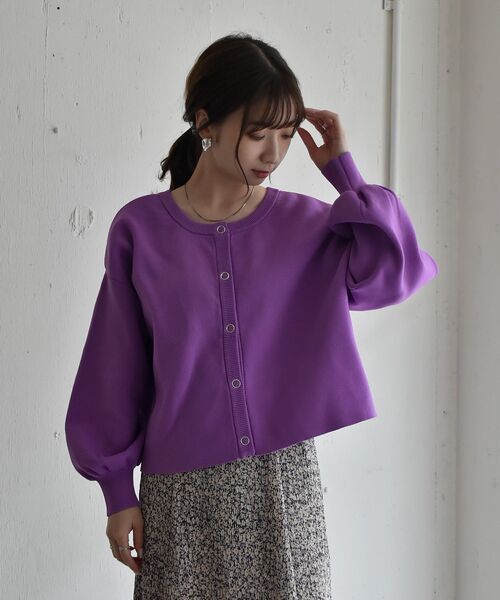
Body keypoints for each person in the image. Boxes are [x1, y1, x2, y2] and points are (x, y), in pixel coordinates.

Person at [65, 32, 438, 599]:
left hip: (282, 488)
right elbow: (114, 366)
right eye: (259, 133)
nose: (274, 153)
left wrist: (345, 174)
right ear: (205, 122)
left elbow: (396, 270)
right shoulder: (140, 231)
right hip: (180, 495)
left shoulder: (309, 226)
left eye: (286, 135)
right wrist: (117, 495)